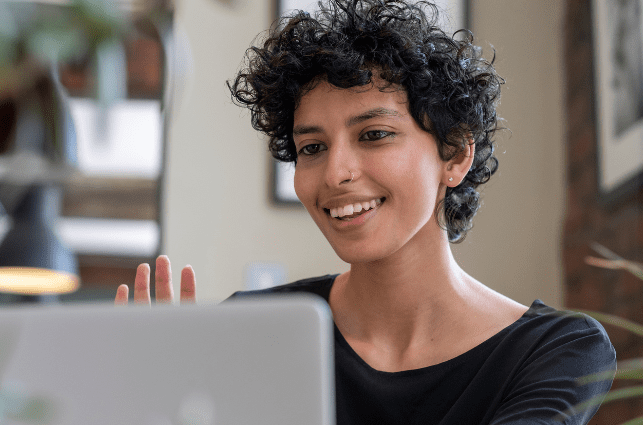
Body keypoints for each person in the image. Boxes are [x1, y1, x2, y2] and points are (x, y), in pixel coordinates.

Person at [115, 0, 616, 423]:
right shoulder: (254, 328)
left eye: (373, 135)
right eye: (311, 147)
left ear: (456, 154)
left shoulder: (558, 351)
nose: (335, 173)